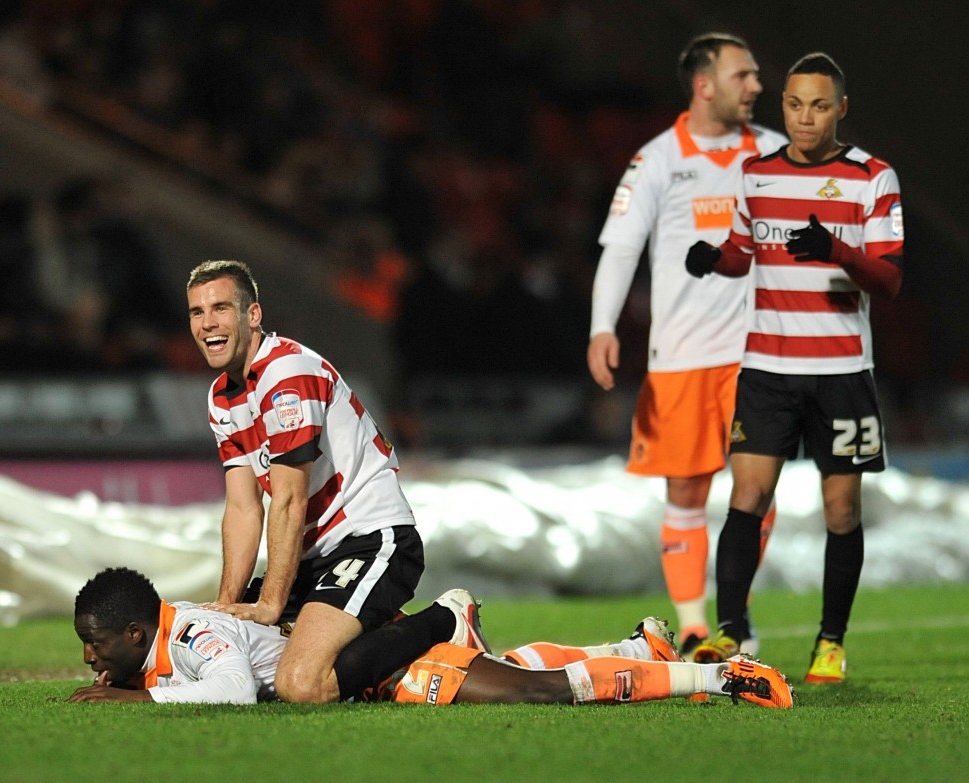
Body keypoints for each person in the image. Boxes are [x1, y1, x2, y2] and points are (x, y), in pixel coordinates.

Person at [683, 52, 904, 683]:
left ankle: (830, 642)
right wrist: (713, 259)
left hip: (842, 370)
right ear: (783, 105)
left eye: (819, 106)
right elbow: (742, 252)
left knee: (841, 511)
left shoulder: (872, 178)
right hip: (768, 367)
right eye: (795, 104)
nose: (805, 118)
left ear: (841, 109)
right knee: (746, 498)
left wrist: (837, 251)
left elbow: (889, 280)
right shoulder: (756, 174)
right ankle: (730, 633)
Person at [587, 33, 786, 657]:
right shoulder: (657, 160)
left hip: (759, 355)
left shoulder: (775, 152)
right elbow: (621, 247)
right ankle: (695, 625)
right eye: (742, 75)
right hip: (681, 357)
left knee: (759, 491)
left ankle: (735, 617)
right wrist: (601, 327)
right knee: (686, 493)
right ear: (704, 85)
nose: (756, 86)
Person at [184, 259, 431, 704]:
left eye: (220, 308)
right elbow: (242, 508)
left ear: (252, 315)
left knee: (299, 683)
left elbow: (288, 500)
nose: (208, 324)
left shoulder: (287, 373)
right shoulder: (221, 395)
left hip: (369, 540)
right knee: (225, 655)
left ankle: (445, 621)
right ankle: (376, 634)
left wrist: (269, 605)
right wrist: (226, 608)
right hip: (314, 559)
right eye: (197, 312)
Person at [67, 567, 793, 709]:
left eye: (96, 643)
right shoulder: (165, 642)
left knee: (536, 692)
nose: (90, 656)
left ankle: (721, 676)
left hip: (389, 667)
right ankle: (639, 649)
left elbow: (232, 690)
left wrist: (135, 699)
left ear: (136, 631)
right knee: (514, 670)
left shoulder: (194, 633)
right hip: (374, 668)